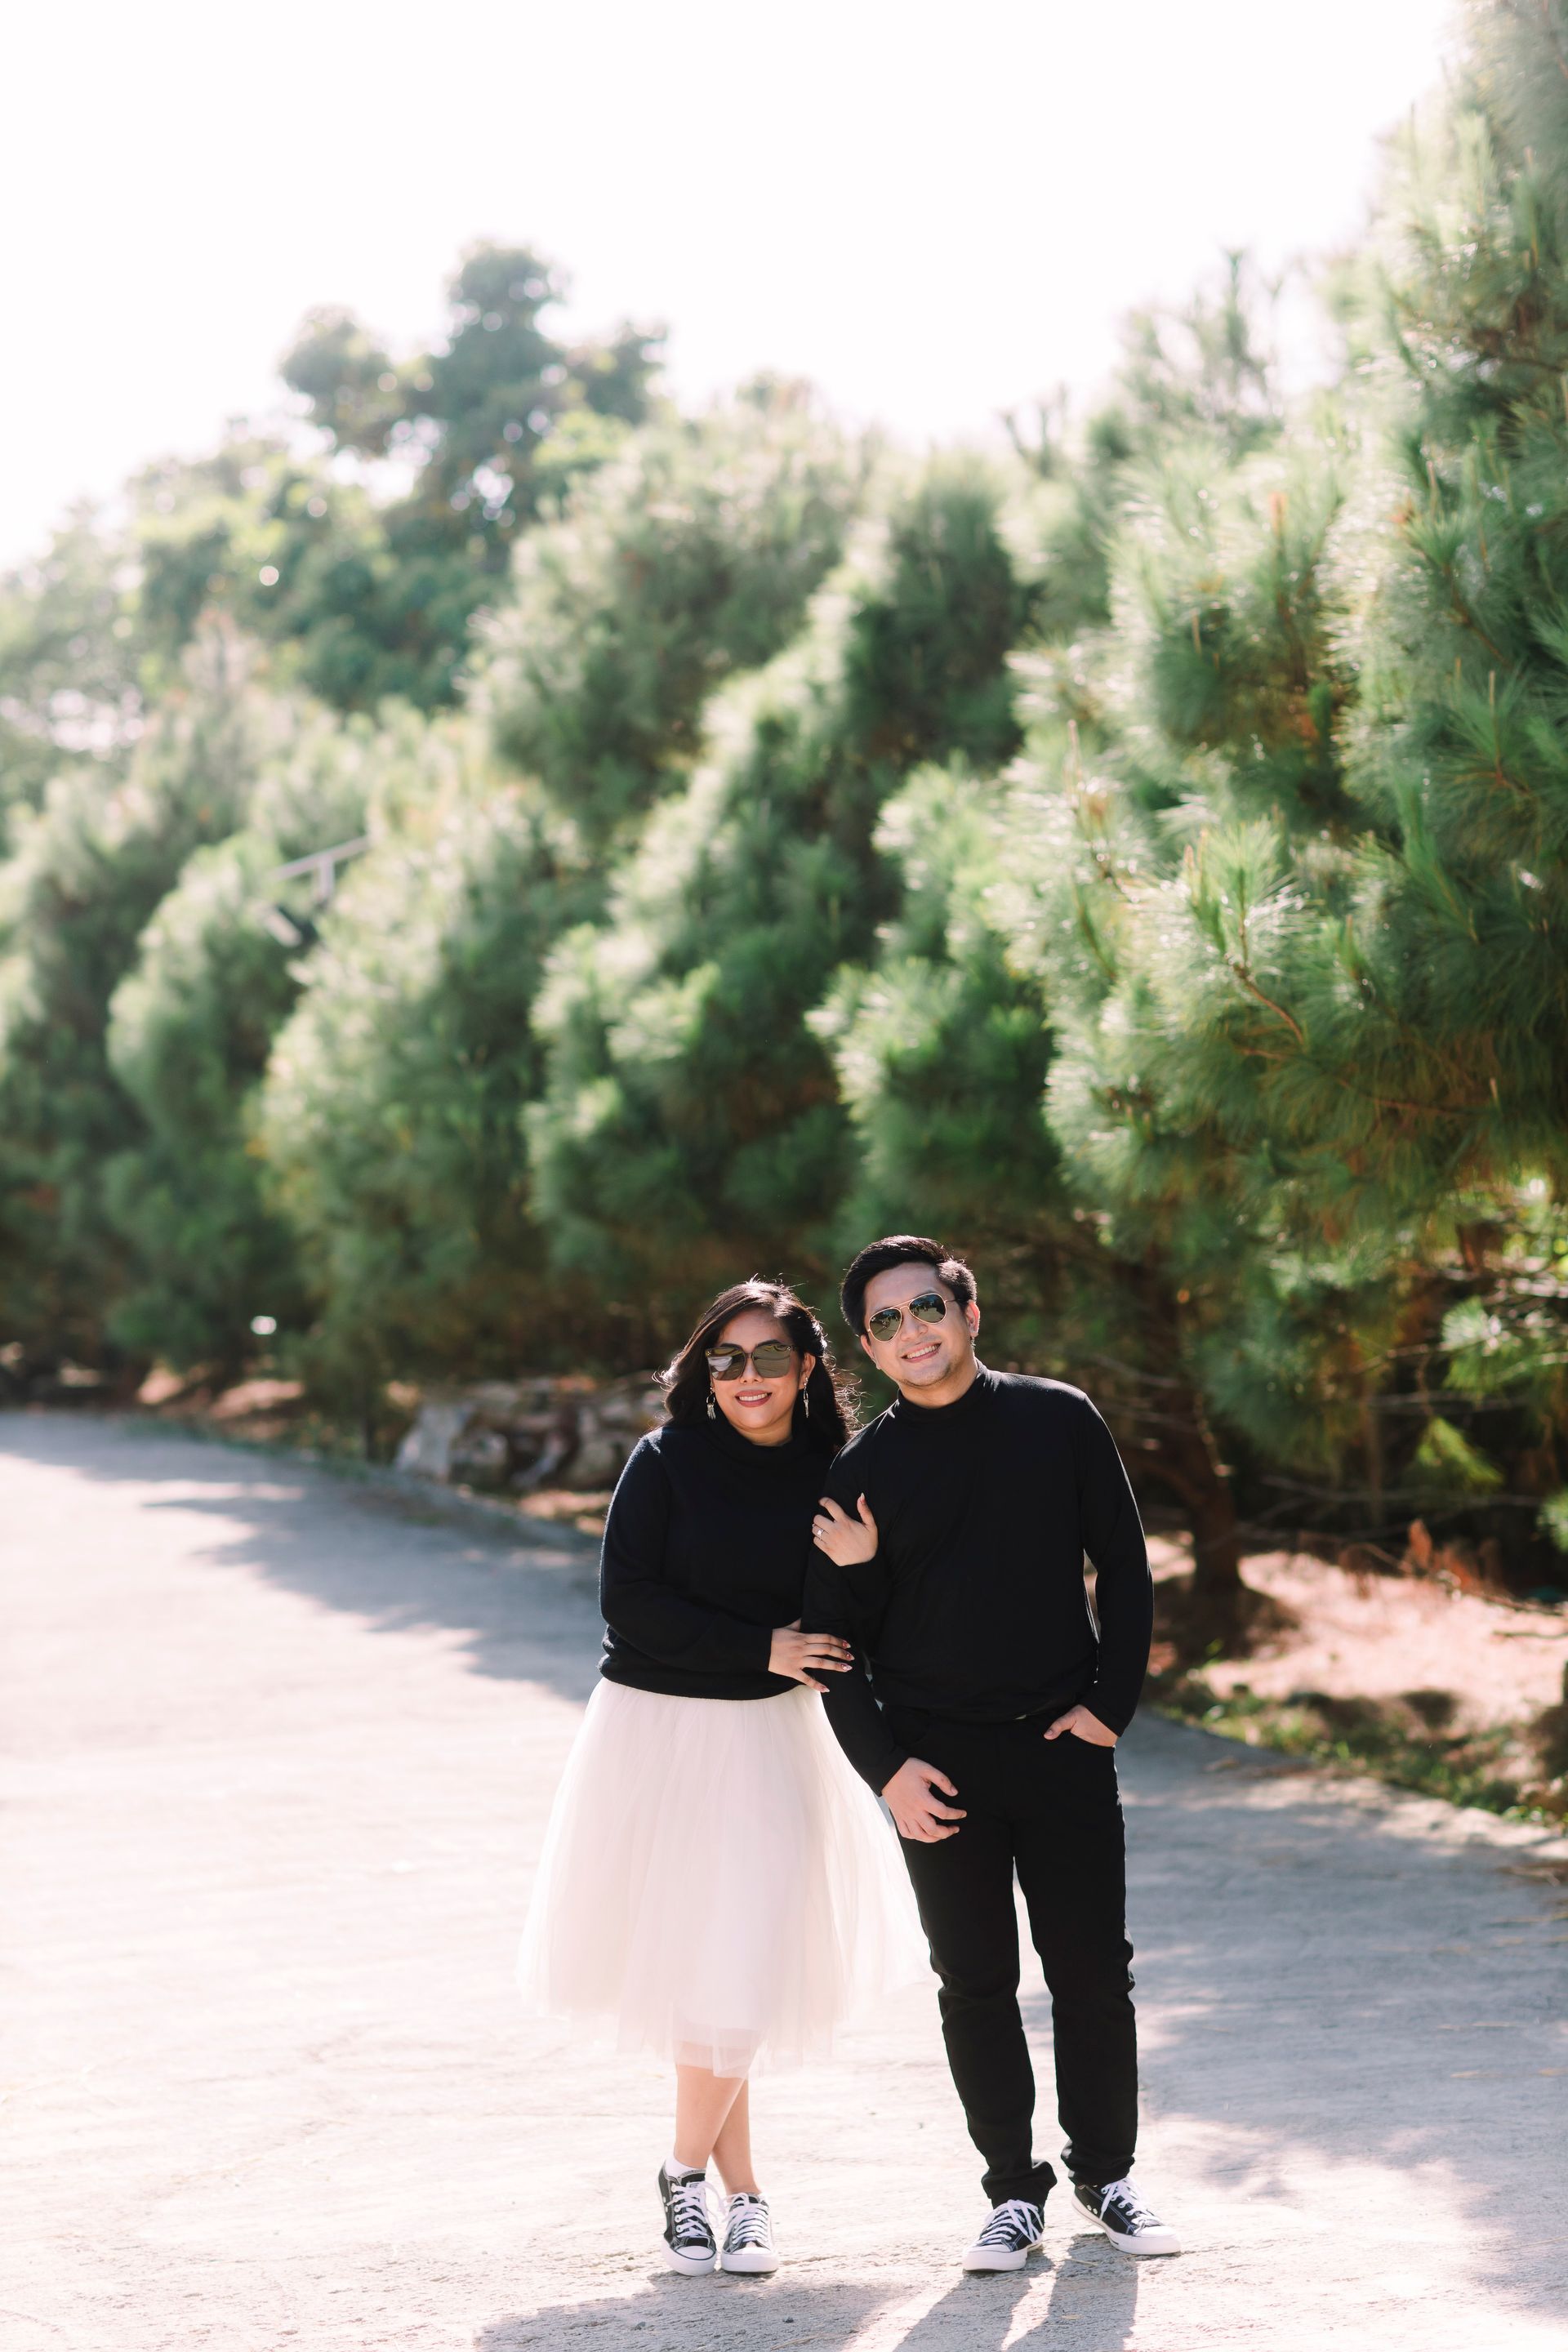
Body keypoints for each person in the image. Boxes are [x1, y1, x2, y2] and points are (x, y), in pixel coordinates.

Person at [518, 1278, 924, 2278]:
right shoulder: (665, 1461)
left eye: (771, 1357)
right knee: (711, 1964)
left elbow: (861, 1619)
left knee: (741, 1955)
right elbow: (627, 1603)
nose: (749, 1376)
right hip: (656, 1734)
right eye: (727, 1358)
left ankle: (681, 2171)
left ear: (807, 1368)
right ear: (705, 1369)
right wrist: (761, 1646)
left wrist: (865, 1564)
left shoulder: (835, 1473)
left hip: (774, 1739)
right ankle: (742, 2198)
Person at [805, 1235, 1179, 2270]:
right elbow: (835, 1649)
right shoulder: (860, 1474)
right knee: (974, 1984)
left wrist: (1110, 1707)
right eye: (885, 1322)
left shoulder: (1058, 1418)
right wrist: (887, 1772)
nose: (910, 1332)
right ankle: (1013, 2192)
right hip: (937, 1770)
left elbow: (1126, 1564)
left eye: (926, 1307)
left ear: (969, 1314)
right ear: (870, 1349)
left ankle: (1107, 2175)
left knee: (1092, 1974)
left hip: (1063, 1749)